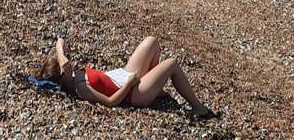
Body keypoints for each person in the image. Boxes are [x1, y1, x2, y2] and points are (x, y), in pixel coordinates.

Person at [38, 36, 215, 120]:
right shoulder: (80, 88)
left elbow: (60, 41)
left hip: (123, 74)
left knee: (151, 41)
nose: (68, 63)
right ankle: (199, 109)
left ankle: (156, 89)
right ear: (62, 75)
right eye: (65, 66)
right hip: (133, 92)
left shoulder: (71, 74)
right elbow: (110, 102)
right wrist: (129, 84)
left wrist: (61, 55)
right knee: (172, 64)